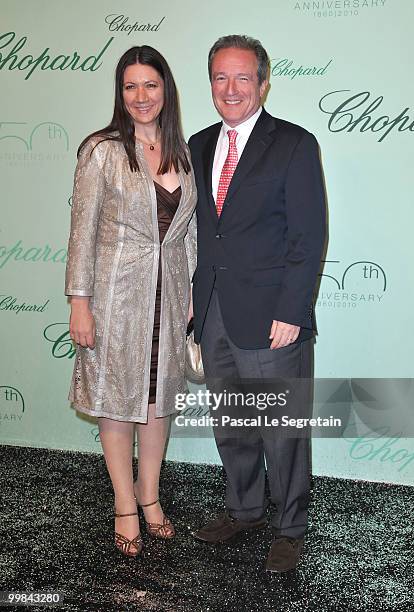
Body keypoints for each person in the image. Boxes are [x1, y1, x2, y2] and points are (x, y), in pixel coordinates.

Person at [189, 35, 326, 572]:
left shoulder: (293, 143)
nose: (231, 88)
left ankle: (290, 527)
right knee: (232, 422)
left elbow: (308, 235)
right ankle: (244, 509)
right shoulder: (198, 144)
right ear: (211, 85)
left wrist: (292, 311)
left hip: (274, 316)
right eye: (220, 77)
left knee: (283, 427)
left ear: (264, 82)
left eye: (243, 77)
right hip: (215, 312)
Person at [65, 46, 197, 558]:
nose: (141, 97)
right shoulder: (101, 150)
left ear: (167, 89)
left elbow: (190, 234)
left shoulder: (183, 151)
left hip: (170, 299)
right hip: (115, 296)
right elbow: (82, 232)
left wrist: (191, 296)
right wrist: (80, 301)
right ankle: (124, 504)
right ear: (120, 94)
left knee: (157, 403)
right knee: (117, 405)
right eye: (130, 87)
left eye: (151, 85)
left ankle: (151, 497)